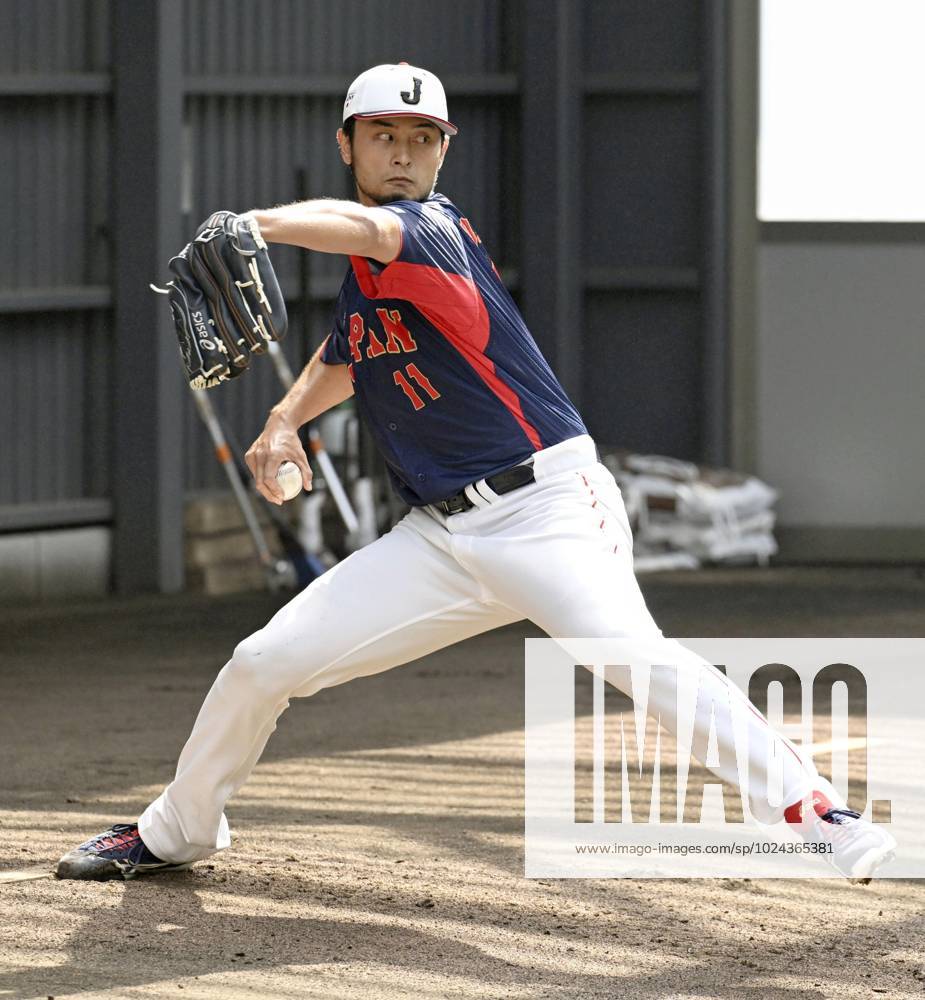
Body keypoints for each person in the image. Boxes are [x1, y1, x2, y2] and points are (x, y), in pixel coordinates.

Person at [57, 63, 895, 884]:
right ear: (347, 143)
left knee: (637, 661)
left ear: (441, 153)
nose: (401, 153)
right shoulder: (376, 274)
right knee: (260, 662)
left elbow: (366, 230)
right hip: (438, 539)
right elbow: (352, 349)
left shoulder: (428, 232)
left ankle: (814, 812)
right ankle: (179, 828)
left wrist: (257, 224)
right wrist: (283, 422)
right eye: (382, 134)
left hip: (548, 513)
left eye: (422, 138)